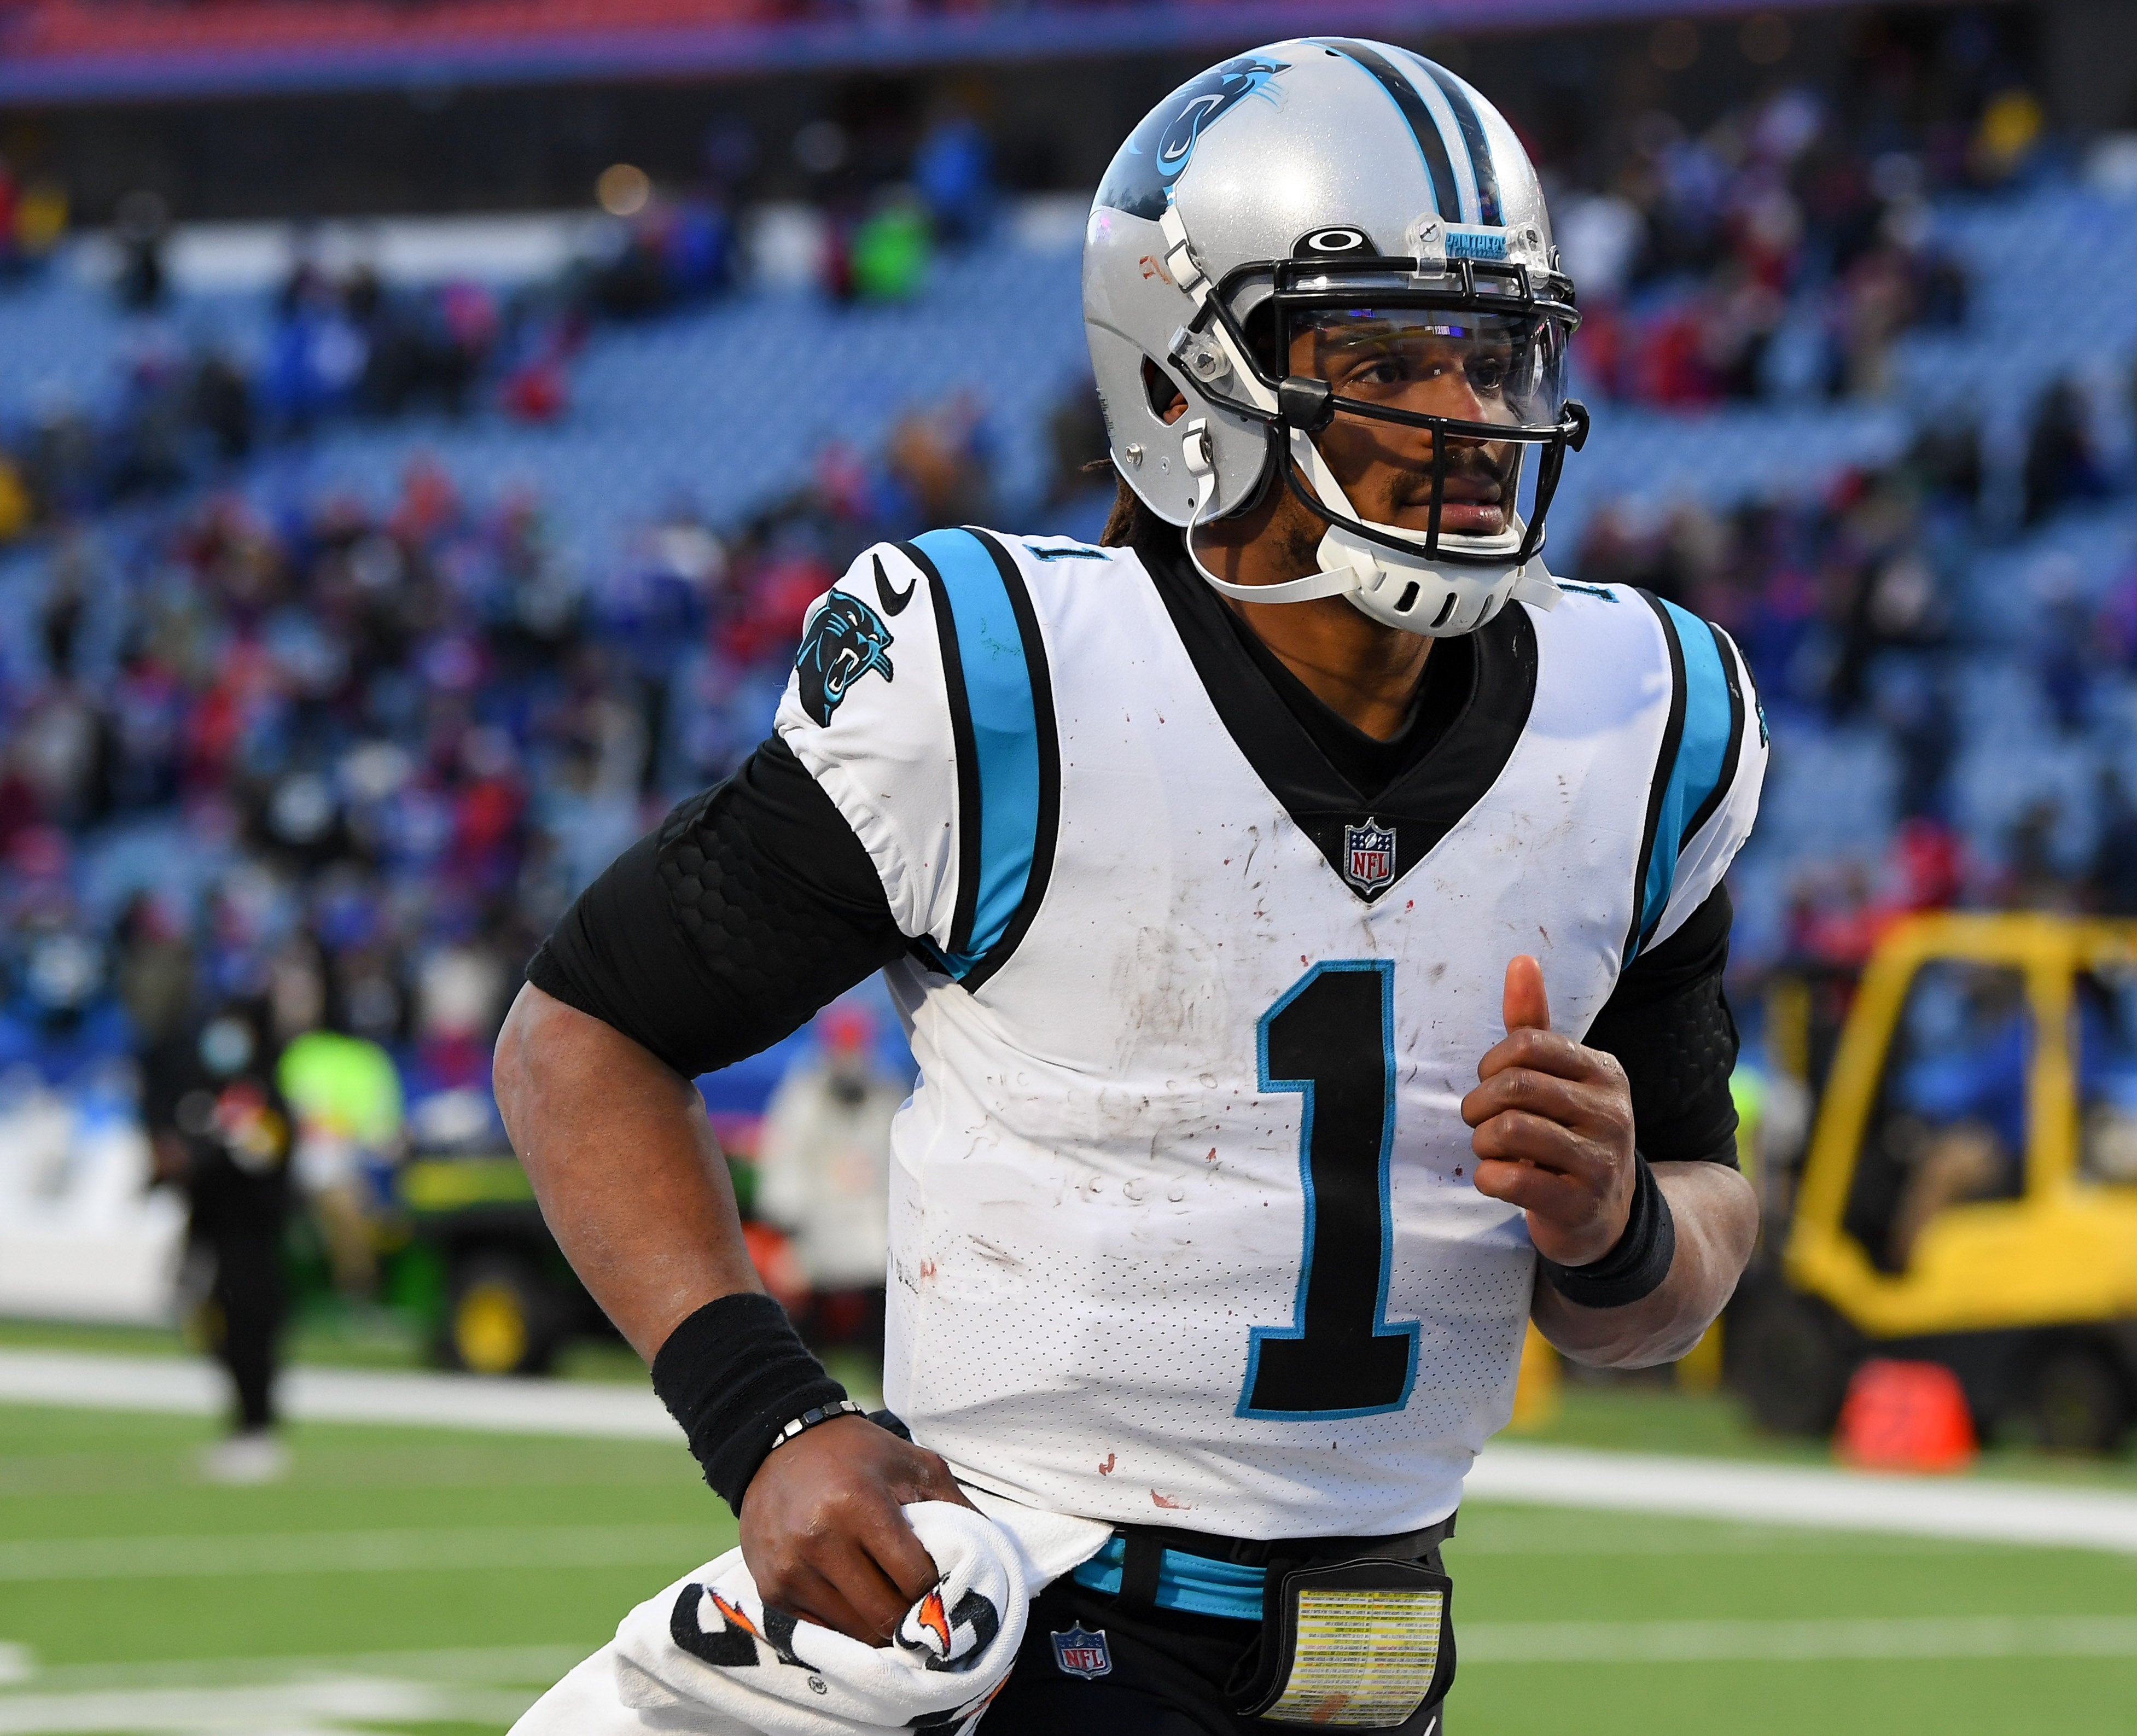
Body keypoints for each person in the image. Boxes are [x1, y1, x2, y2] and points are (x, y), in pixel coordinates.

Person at [496, 42, 1763, 1736]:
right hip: (1010, 1611)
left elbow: (1682, 1254)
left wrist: (1621, 1227)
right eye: (1387, 358)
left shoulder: (1645, 718)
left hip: (1370, 1655)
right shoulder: (1010, 678)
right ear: (1187, 385)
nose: (1469, 420)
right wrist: (768, 1418)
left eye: (1494, 355)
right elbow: (582, 1032)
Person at [142, 994, 296, 1483]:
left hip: (251, 1238)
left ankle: (257, 1429)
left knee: (250, 1331)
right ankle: (241, 1424)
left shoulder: (264, 1096)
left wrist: (201, 1161)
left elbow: (260, 1160)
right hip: (208, 1235)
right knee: (210, 1329)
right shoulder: (203, 1092)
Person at [755, 1000, 901, 1361]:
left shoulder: (885, 1091)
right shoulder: (804, 1094)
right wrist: (787, 1214)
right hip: (818, 1215)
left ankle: (881, 1366)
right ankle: (803, 1365)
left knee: (883, 1293)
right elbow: (785, 1154)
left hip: (870, 1215)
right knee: (803, 1288)